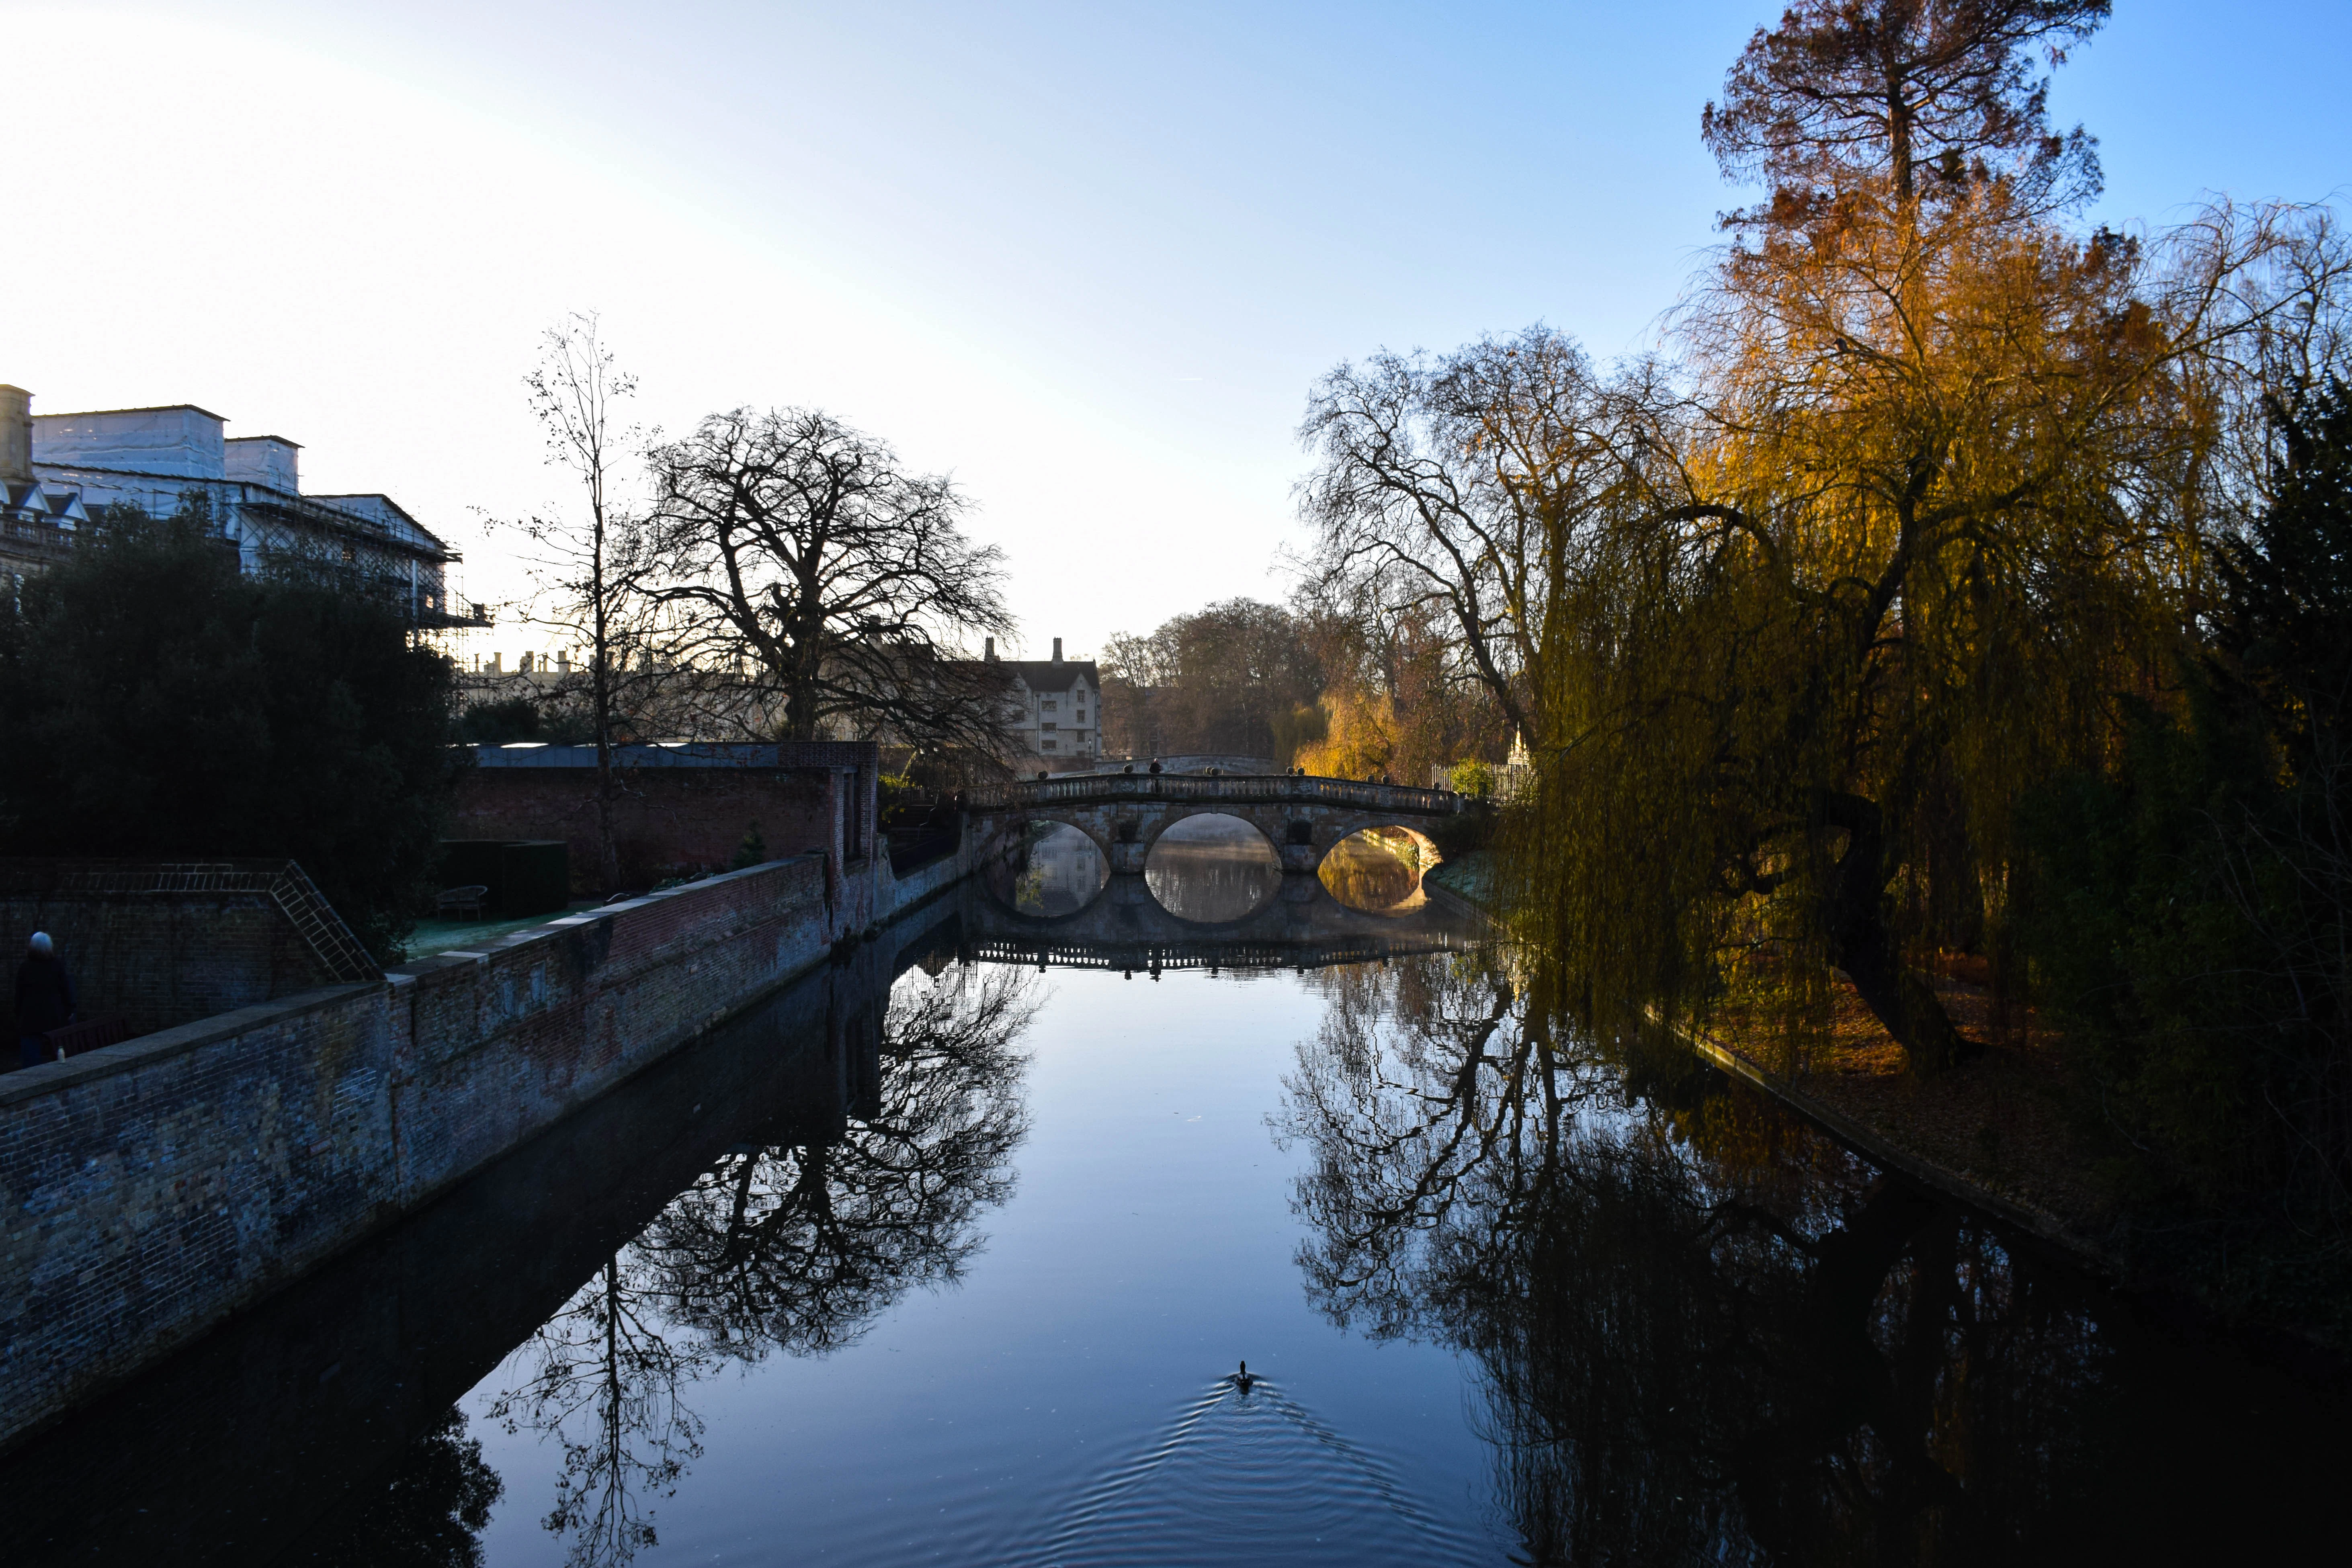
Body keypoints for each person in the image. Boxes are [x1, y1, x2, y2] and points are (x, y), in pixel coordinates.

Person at [14, 931, 76, 1069]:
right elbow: (66, 990)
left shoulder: (26, 967)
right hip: (53, 1015)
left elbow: (19, 994)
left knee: (31, 1056)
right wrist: (69, 1009)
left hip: (30, 1017)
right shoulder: (56, 966)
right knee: (56, 1052)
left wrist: (19, 1014)